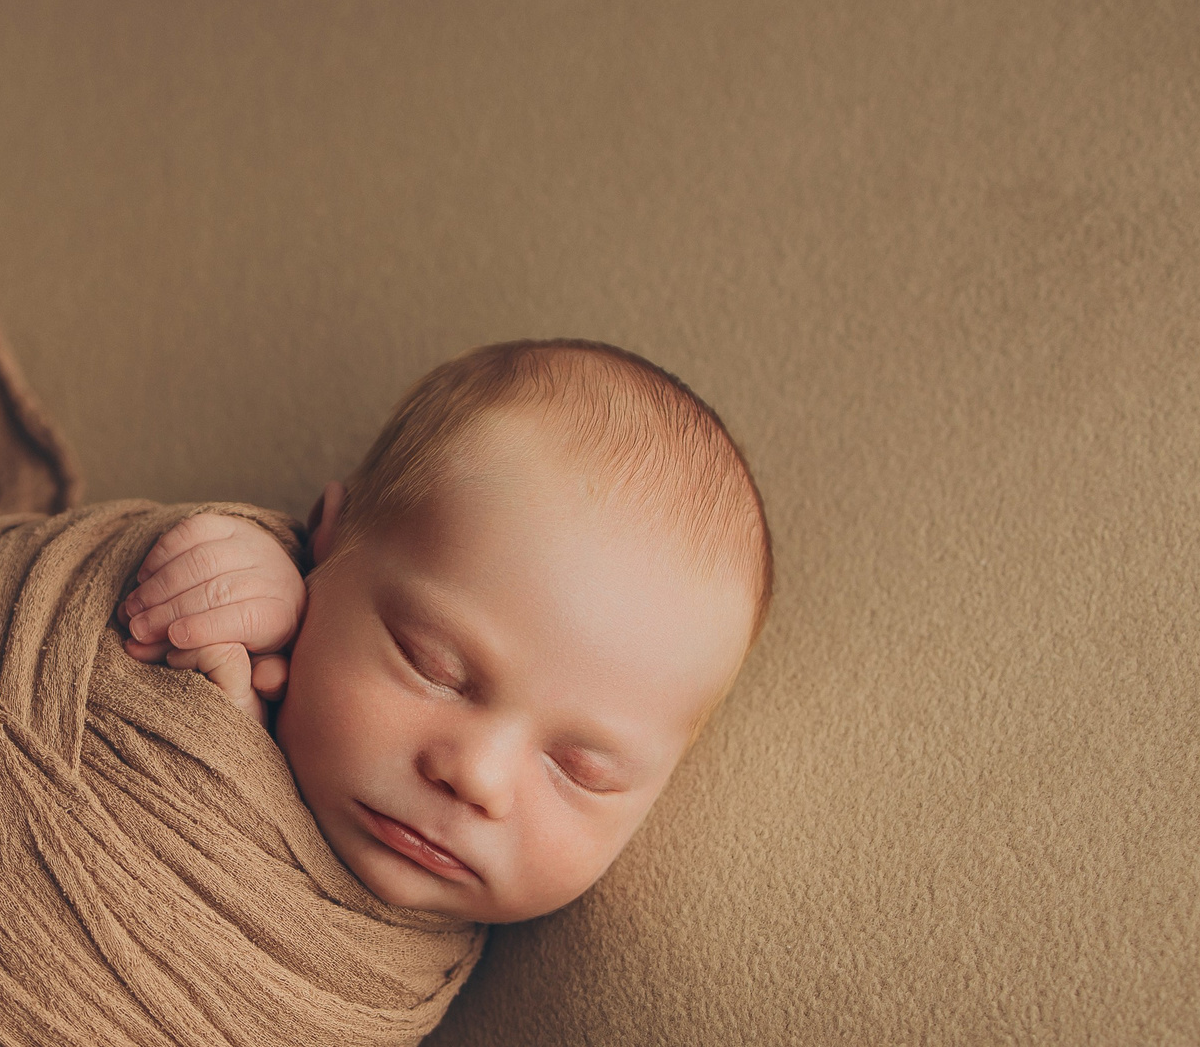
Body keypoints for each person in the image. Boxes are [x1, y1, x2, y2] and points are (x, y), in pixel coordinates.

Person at [119, 338, 771, 925]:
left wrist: (238, 815)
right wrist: (229, 581)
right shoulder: (259, 618)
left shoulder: (410, 974)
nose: (478, 777)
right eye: (434, 668)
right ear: (330, 539)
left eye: (580, 771)